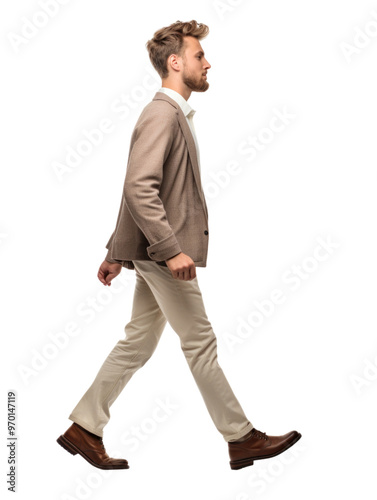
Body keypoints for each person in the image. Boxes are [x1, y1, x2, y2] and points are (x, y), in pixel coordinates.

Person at [57, 20, 301, 471]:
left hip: (148, 252)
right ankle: (241, 437)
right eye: (199, 56)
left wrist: (117, 250)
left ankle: (84, 428)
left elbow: (139, 189)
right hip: (162, 256)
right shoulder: (162, 114)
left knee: (139, 342)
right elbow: (139, 188)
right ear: (175, 62)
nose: (207, 63)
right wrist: (169, 250)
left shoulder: (172, 115)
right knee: (199, 341)